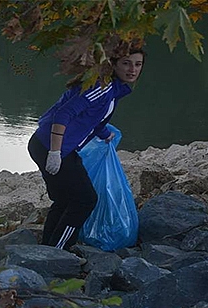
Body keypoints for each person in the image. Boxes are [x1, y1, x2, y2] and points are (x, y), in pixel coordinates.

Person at [28, 49, 145, 250]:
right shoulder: (102, 87)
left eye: (138, 64)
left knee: (64, 199)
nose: (132, 69)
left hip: (47, 144)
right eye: (126, 63)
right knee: (85, 199)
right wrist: (55, 153)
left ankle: (48, 249)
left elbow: (91, 116)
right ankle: (59, 251)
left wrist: (103, 132)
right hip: (52, 147)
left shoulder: (111, 89)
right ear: (114, 64)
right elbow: (63, 115)